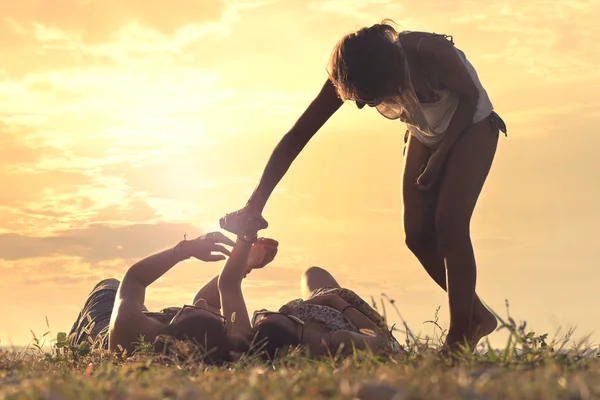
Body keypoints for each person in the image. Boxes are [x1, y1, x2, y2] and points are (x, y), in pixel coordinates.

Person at [220, 21, 506, 350]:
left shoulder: (429, 51)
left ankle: (458, 337)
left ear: (386, 73)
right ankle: (479, 316)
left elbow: (470, 98)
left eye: (366, 97)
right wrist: (254, 204)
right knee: (416, 236)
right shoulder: (350, 73)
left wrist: (439, 160)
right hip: (424, 130)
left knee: (449, 226)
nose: (359, 104)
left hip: (471, 123)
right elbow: (296, 138)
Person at [67, 232, 278, 364]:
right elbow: (211, 299)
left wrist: (185, 249)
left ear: (170, 331)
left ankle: (72, 342)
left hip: (98, 328)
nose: (201, 303)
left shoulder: (132, 332)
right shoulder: (213, 347)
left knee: (109, 285)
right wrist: (244, 263)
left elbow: (134, 279)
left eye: (188, 311)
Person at [251, 266, 402, 360]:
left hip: (322, 310)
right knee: (314, 273)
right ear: (296, 322)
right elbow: (383, 340)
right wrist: (334, 300)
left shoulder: (293, 336)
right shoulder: (339, 340)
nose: (284, 310)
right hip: (347, 313)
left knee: (312, 273)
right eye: (283, 315)